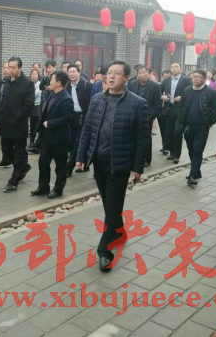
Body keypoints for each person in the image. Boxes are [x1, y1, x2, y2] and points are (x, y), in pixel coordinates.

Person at [77, 60, 149, 272]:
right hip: (99, 161)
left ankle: (105, 251)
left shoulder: (138, 104)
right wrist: (81, 156)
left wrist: (137, 167)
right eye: (109, 73)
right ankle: (119, 232)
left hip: (120, 163)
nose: (111, 76)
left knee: (112, 206)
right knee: (110, 204)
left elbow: (142, 138)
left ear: (126, 78)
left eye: (117, 73)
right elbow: (87, 129)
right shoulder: (97, 99)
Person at [32, 71, 74, 199]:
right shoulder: (52, 94)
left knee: (60, 166)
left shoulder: (66, 98)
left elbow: (67, 118)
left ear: (59, 83)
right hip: (47, 137)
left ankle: (58, 189)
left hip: (59, 138)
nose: (50, 81)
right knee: (43, 162)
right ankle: (43, 187)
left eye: (52, 79)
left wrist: (50, 123)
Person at [179, 69, 216, 185]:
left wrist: (210, 122)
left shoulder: (211, 92)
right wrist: (181, 119)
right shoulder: (187, 90)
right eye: (194, 77)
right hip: (188, 126)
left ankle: (192, 175)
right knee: (191, 150)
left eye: (198, 77)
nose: (195, 79)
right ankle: (196, 171)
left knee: (198, 150)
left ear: (204, 78)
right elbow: (181, 106)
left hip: (202, 127)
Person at [0, 57, 35, 192]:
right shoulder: (7, 81)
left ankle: (13, 181)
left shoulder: (27, 84)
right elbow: (3, 100)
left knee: (19, 153)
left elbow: (28, 105)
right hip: (5, 124)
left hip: (19, 125)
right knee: (6, 152)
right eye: (9, 67)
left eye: (13, 68)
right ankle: (23, 167)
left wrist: (18, 117)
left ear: (20, 68)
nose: (11, 70)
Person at [128, 65, 162, 167]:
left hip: (147, 117)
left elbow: (157, 103)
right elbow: (128, 98)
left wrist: (151, 116)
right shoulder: (132, 84)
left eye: (144, 72)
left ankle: (147, 159)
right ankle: (134, 158)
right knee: (133, 137)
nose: (142, 75)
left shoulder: (155, 86)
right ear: (137, 74)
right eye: (140, 73)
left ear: (148, 73)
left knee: (146, 138)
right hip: (134, 116)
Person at [160, 62, 191, 164]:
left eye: (176, 67)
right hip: (169, 108)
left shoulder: (186, 80)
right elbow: (159, 91)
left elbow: (191, 92)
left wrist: (182, 98)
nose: (174, 68)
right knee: (169, 132)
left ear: (180, 68)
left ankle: (177, 155)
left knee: (177, 133)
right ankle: (172, 153)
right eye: (172, 67)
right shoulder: (166, 80)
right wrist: (163, 97)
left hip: (180, 109)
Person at [66, 64, 92, 176]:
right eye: (70, 72)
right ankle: (84, 165)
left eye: (74, 71)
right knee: (72, 141)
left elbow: (91, 102)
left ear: (79, 73)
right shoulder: (67, 86)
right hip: (72, 116)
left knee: (78, 142)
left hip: (84, 116)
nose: (72, 74)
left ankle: (68, 168)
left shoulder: (86, 85)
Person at [28, 69, 42, 153]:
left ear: (38, 76)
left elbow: (36, 94)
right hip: (28, 105)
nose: (33, 75)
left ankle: (32, 141)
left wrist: (28, 94)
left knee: (34, 125)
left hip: (36, 106)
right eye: (32, 74)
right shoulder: (28, 83)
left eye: (35, 74)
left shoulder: (39, 84)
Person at [158, 69, 171, 154]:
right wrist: (162, 97)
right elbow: (157, 93)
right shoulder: (160, 85)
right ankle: (164, 146)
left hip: (170, 110)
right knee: (163, 130)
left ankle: (167, 147)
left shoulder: (173, 85)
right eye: (164, 76)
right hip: (161, 110)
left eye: (167, 76)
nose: (165, 78)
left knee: (168, 130)